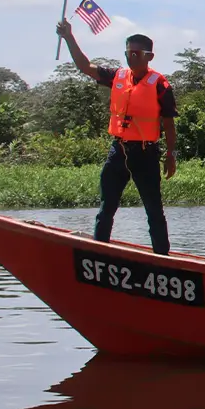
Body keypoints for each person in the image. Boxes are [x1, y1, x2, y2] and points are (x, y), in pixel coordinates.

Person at [56, 20, 177, 255]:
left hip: (146, 152)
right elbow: (85, 66)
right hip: (118, 151)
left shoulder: (160, 84)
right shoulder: (117, 76)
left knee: (154, 210)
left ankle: (163, 258)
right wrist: (69, 37)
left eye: (135, 53)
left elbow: (169, 123)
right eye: (127, 53)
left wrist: (171, 155)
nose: (130, 57)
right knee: (106, 207)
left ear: (148, 56)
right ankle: (99, 253)